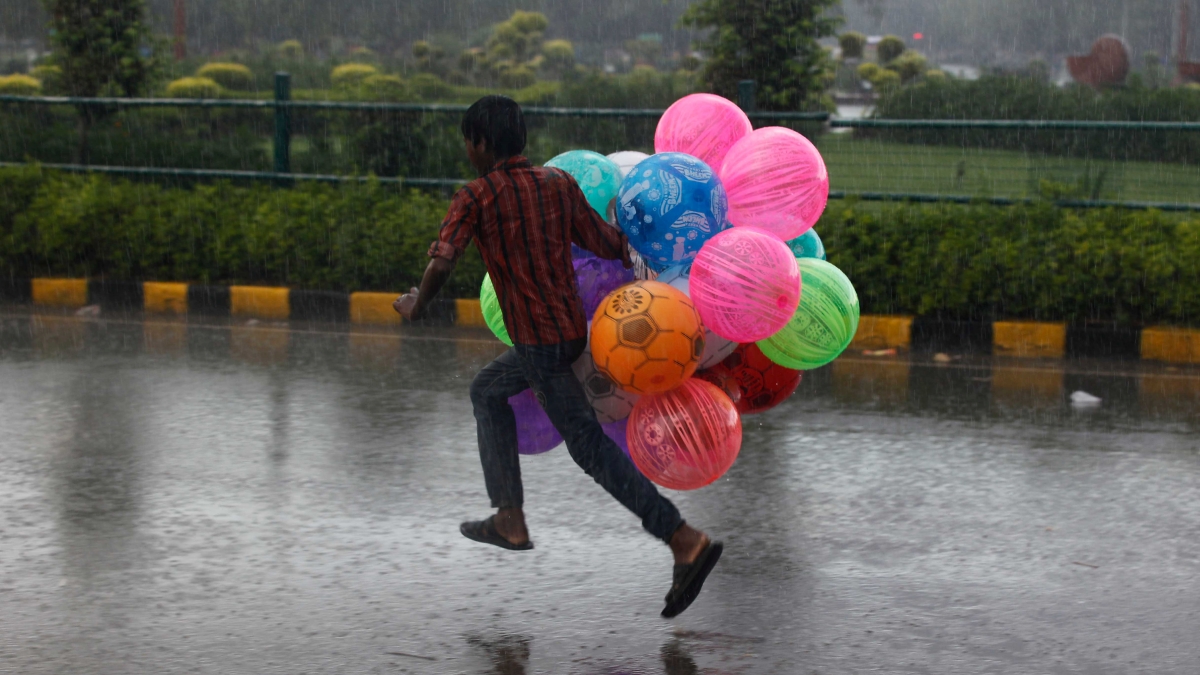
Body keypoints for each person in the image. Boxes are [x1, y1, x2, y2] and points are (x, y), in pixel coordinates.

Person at [393, 95, 721, 618]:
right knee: (487, 391)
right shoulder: (557, 184)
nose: (469, 153)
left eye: (469, 144)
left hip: (539, 345)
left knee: (589, 448)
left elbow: (443, 260)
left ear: (481, 143)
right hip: (569, 334)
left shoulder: (476, 196)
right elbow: (607, 242)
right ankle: (509, 516)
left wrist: (418, 304)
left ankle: (683, 539)